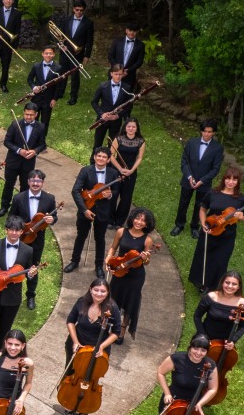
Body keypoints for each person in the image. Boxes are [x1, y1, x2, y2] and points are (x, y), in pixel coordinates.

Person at [0, 216, 39, 355]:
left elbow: (28, 271)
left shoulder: (27, 250)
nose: (14, 233)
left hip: (13, 294)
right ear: (6, 230)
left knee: (5, 325)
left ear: (21, 232)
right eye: (11, 230)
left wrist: (31, 274)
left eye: (17, 230)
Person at [63, 280, 121, 415]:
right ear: (90, 289)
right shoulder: (81, 302)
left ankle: (85, 405)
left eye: (103, 291)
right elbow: (70, 321)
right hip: (78, 344)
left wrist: (101, 346)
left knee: (91, 377)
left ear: (107, 293)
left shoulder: (112, 308)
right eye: (96, 290)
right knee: (71, 372)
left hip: (98, 349)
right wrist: (75, 341)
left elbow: (116, 332)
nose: (99, 294)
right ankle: (69, 402)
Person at [188, 169, 244, 291]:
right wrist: (203, 224)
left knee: (220, 261)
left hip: (227, 235)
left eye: (234, 179)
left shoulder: (241, 198)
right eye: (228, 178)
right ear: (224, 179)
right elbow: (202, 209)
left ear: (238, 182)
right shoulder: (213, 193)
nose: (230, 182)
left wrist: (241, 217)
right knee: (204, 257)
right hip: (210, 229)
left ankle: (214, 286)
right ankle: (201, 283)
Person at [152, 336, 221, 415]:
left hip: (193, 405)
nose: (198, 353)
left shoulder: (210, 365)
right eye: (196, 348)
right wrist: (167, 394)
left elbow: (213, 389)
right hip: (173, 400)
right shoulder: (177, 358)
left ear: (207, 352)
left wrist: (199, 404)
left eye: (203, 350)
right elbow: (160, 373)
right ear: (190, 347)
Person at [106, 207, 157, 343]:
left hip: (135, 276)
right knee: (113, 299)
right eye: (137, 218)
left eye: (143, 220)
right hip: (119, 270)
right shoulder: (121, 232)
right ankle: (109, 326)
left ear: (147, 224)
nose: (139, 222)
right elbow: (113, 247)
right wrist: (109, 257)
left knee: (130, 302)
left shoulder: (147, 241)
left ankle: (121, 331)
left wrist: (145, 257)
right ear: (132, 218)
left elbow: (146, 263)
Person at [65, 146, 119, 274]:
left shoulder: (113, 173)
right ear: (94, 157)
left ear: (108, 159)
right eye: (98, 156)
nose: (101, 158)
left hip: (103, 211)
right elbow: (75, 191)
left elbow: (116, 191)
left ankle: (99, 266)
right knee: (81, 236)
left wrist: (110, 195)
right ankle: (74, 261)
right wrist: (84, 210)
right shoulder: (86, 171)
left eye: (104, 157)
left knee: (100, 239)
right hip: (86, 208)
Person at [9, 171, 59, 310]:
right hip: (21, 238)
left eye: (38, 181)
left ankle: (31, 295)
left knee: (33, 267)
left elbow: (54, 218)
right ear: (28, 182)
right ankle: (13, 293)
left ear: (42, 183)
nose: (35, 183)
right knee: (16, 265)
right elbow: (10, 218)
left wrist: (52, 219)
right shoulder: (18, 198)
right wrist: (21, 227)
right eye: (33, 180)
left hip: (37, 240)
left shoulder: (49, 199)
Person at [171, 119, 223, 237]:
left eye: (209, 132)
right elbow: (184, 161)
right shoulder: (191, 142)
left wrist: (202, 180)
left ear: (214, 133)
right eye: (204, 131)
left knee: (200, 205)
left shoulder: (218, 148)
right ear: (201, 131)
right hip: (188, 179)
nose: (206, 134)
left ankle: (195, 226)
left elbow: (215, 169)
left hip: (204, 183)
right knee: (183, 203)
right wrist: (189, 176)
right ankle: (179, 225)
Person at [0, 104, 45, 216]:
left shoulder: (41, 127)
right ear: (23, 113)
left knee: (24, 186)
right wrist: (19, 150)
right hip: (13, 161)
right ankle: (4, 206)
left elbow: (42, 144)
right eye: (26, 114)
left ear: (36, 115)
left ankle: (21, 208)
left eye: (31, 115)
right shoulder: (15, 124)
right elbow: (7, 142)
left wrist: (34, 151)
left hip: (28, 163)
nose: (28, 117)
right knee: (9, 184)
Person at [90, 64, 136, 154]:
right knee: (97, 144)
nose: (118, 76)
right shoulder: (103, 86)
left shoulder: (127, 88)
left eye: (120, 74)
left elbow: (128, 106)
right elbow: (94, 102)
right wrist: (102, 114)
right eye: (116, 74)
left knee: (112, 146)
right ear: (111, 74)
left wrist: (118, 115)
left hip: (116, 122)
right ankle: (93, 164)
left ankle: (110, 165)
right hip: (103, 119)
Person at [109, 117, 146, 225]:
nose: (131, 128)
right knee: (113, 195)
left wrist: (132, 170)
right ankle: (110, 220)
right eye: (129, 126)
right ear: (125, 127)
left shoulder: (141, 141)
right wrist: (120, 168)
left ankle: (119, 221)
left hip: (131, 172)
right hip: (116, 170)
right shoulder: (118, 138)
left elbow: (139, 157)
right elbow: (111, 155)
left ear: (136, 128)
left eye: (133, 127)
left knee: (126, 198)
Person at [57, 0, 95, 102]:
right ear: (73, 9)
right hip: (65, 51)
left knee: (74, 75)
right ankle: (60, 92)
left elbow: (89, 40)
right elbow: (61, 36)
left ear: (84, 10)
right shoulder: (66, 20)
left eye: (81, 10)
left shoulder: (88, 23)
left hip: (78, 53)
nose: (79, 12)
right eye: (77, 10)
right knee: (62, 73)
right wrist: (61, 45)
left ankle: (73, 96)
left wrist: (87, 55)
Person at [26, 45, 70, 118]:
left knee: (45, 122)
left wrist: (54, 99)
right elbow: (29, 79)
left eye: (50, 53)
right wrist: (34, 87)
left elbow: (59, 85)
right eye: (46, 53)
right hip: (36, 98)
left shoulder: (58, 68)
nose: (48, 55)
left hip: (48, 99)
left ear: (54, 54)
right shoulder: (36, 66)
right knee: (33, 121)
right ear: (42, 54)